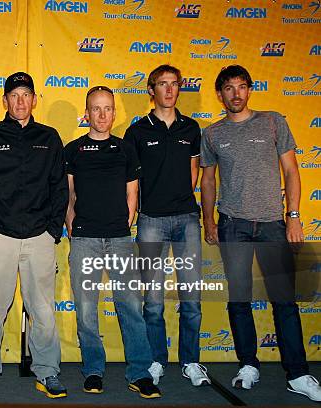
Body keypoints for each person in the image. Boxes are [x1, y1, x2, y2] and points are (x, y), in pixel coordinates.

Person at [200, 64, 321, 402]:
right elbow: (208, 181)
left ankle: (297, 373)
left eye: (241, 87)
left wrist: (293, 216)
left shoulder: (273, 121)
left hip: (272, 225)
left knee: (284, 302)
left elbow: (292, 171)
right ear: (220, 93)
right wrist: (208, 221)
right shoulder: (212, 133)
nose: (235, 94)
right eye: (228, 88)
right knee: (239, 300)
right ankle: (248, 365)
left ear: (250, 89)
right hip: (232, 225)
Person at [0, 72, 68, 400]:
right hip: (0, 238)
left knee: (43, 311)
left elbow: (59, 187)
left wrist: (53, 229)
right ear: (6, 101)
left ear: (35, 99)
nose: (21, 101)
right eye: (14, 95)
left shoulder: (50, 138)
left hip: (40, 236)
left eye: (26, 94)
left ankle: (48, 371)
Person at [65, 86, 161, 399]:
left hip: (119, 238)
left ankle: (139, 373)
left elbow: (132, 192)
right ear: (87, 112)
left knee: (131, 306)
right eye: (96, 108)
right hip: (84, 239)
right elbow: (69, 196)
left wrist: (127, 222)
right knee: (86, 309)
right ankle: (93, 370)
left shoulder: (125, 149)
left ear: (114, 113)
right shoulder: (73, 150)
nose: (103, 115)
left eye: (108, 108)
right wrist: (72, 226)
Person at [124, 65, 210, 387]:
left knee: (192, 300)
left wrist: (178, 199)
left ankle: (191, 361)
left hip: (187, 219)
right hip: (150, 221)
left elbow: (193, 173)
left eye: (174, 84)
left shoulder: (191, 127)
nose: (169, 90)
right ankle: (157, 360)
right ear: (151, 90)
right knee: (154, 301)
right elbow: (132, 181)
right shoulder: (137, 131)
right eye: (163, 84)